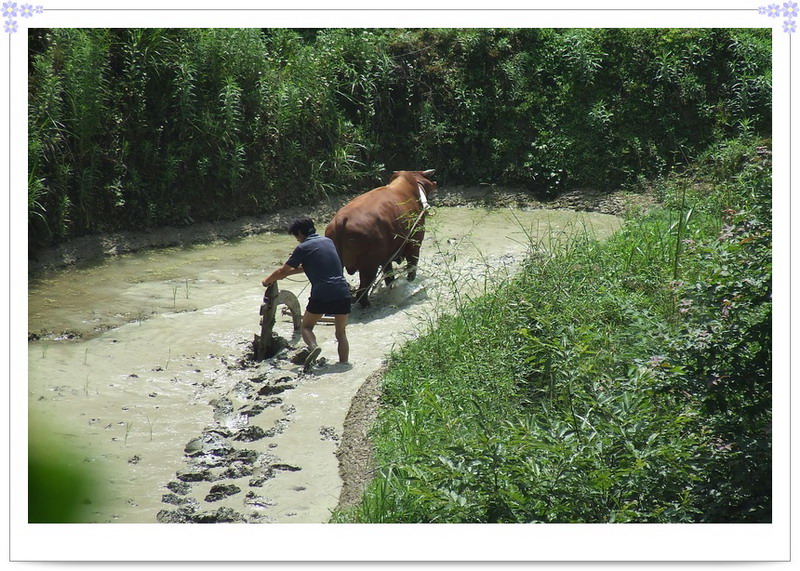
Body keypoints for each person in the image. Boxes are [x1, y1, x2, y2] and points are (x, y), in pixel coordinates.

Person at [261, 217, 351, 370]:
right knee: (341, 333)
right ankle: (343, 364)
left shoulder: (303, 248)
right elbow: (311, 266)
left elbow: (283, 271)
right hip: (343, 291)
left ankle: (314, 346)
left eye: (296, 236)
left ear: (300, 233)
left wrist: (267, 281)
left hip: (322, 293)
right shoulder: (328, 242)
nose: (297, 240)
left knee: (306, 327)